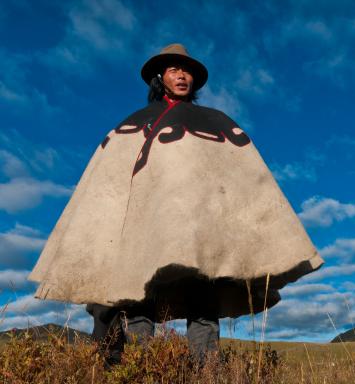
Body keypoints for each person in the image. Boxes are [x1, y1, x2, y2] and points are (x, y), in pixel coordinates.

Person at [28, 44, 323, 365]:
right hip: (146, 231)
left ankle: (206, 371)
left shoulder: (215, 123)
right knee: (137, 295)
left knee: (203, 299)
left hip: (200, 231)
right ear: (160, 77)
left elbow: (240, 178)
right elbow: (109, 183)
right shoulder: (134, 125)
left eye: (188, 71)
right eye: (174, 70)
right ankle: (146, 367)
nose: (182, 76)